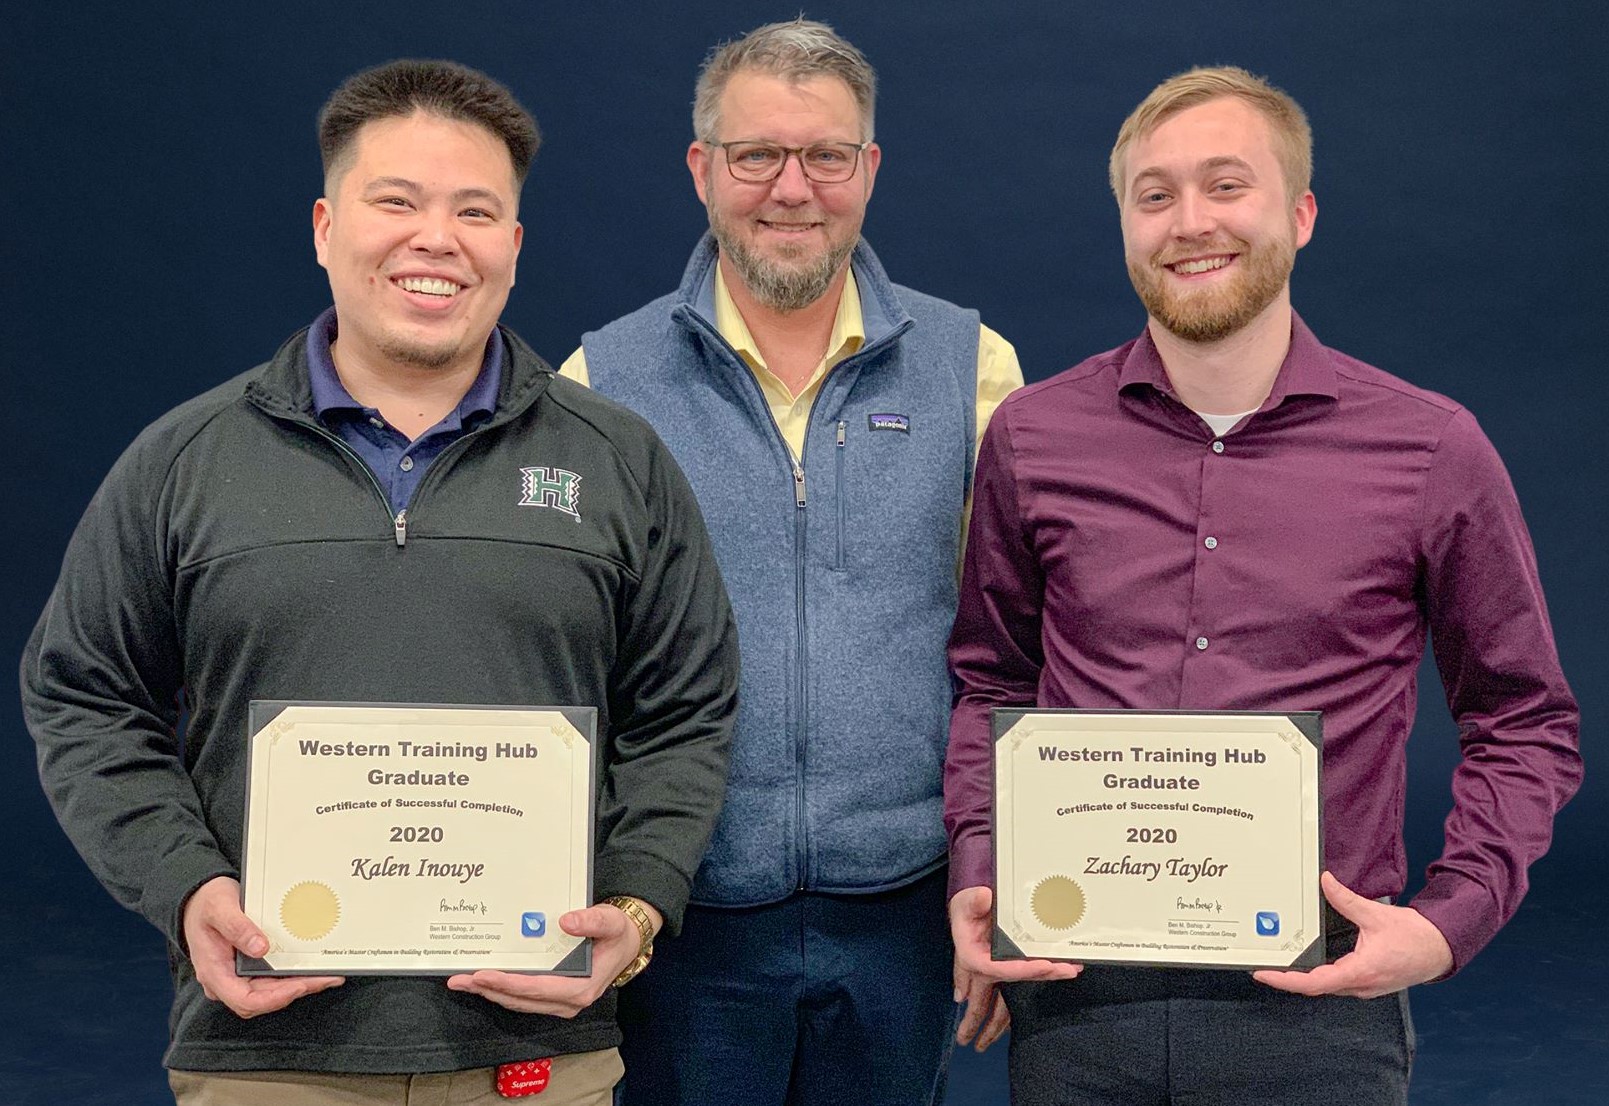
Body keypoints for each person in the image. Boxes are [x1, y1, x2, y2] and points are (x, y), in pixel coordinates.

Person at [21, 59, 739, 1106]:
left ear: (513, 245)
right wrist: (186, 886)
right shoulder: (184, 459)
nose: (434, 238)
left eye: (475, 210)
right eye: (394, 201)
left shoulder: (618, 462)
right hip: (264, 1046)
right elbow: (83, 694)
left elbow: (687, 710)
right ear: (323, 227)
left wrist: (633, 907)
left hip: (535, 1048)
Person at [945, 65, 1581, 1105]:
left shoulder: (1428, 448)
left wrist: (1444, 921)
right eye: (1154, 195)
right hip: (1073, 997)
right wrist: (978, 864)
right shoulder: (1033, 436)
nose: (1189, 222)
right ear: (1124, 224)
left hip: (1318, 1003)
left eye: (1225, 185)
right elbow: (990, 679)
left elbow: (1523, 716)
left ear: (1301, 211)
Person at [558, 18, 1023, 1105]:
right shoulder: (600, 381)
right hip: (684, 910)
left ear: (868, 168)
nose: (791, 188)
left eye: (825, 155)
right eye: (756, 155)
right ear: (701, 169)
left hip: (905, 906)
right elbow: (570, 656)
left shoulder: (975, 367)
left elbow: (1018, 645)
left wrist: (1002, 869)